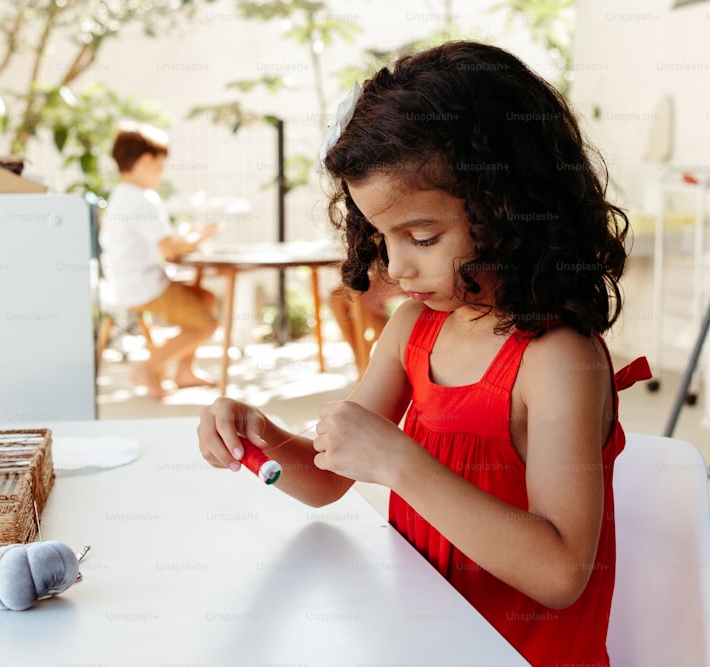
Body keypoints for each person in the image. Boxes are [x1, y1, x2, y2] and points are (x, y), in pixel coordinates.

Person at [197, 40, 652, 666]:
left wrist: (400, 464)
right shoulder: (415, 328)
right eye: (380, 236)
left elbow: (561, 571)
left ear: (510, 208)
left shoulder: (556, 357)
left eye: (422, 236)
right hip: (424, 644)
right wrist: (260, 437)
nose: (397, 266)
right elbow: (327, 478)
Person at [99, 121, 220, 399]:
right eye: (159, 166)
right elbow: (171, 250)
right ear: (145, 161)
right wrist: (200, 235)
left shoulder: (121, 195)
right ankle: (148, 368)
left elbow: (162, 242)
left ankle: (184, 371)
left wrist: (188, 237)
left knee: (206, 300)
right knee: (206, 325)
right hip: (145, 286)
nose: (161, 174)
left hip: (126, 282)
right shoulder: (143, 200)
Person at [328, 277, 404, 373]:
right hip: (364, 295)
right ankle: (361, 364)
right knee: (337, 296)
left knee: (383, 345)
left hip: (373, 301)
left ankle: (363, 365)